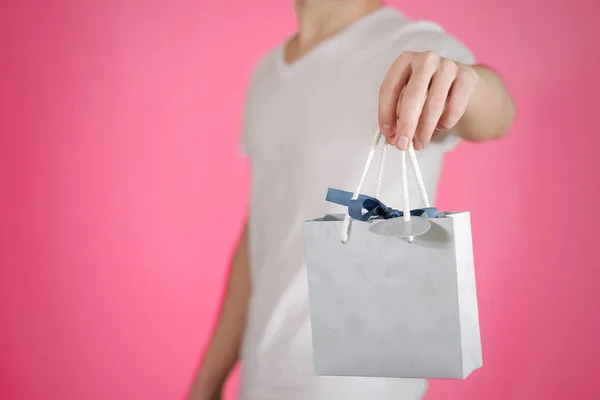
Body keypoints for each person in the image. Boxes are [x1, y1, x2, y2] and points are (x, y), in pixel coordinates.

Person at [188, 0, 515, 399]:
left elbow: (497, 115)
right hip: (261, 379)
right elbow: (263, 233)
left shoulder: (412, 48)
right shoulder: (267, 76)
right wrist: (209, 379)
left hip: (359, 386)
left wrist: (465, 81)